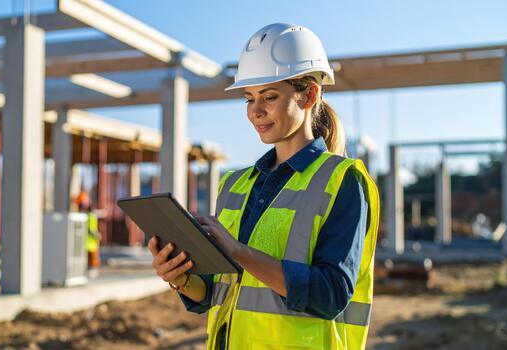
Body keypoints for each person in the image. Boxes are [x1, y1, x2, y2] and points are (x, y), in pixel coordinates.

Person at [148, 23, 379, 350]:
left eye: (269, 97)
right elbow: (217, 291)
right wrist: (181, 278)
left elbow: (331, 294)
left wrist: (239, 251)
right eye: (249, 98)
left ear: (309, 95)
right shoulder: (234, 184)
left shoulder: (343, 181)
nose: (256, 112)